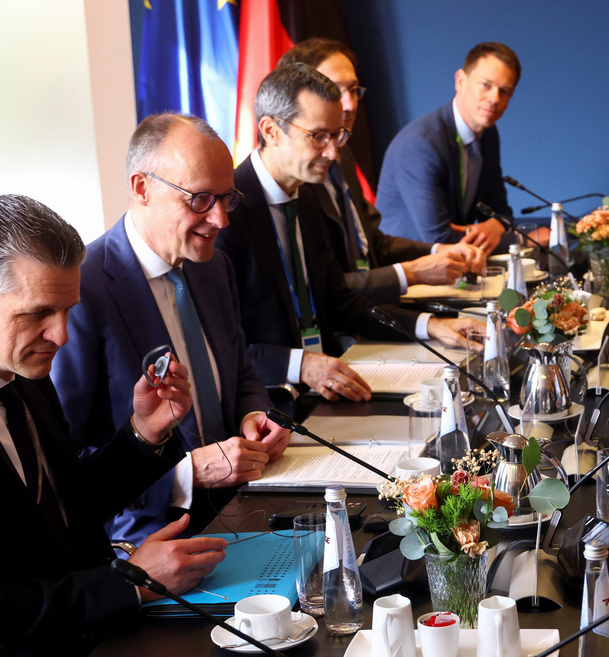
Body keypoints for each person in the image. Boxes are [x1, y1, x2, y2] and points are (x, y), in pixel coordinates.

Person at [0, 194, 228, 657]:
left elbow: (70, 509)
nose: (61, 335)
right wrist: (127, 583)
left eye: (67, 311)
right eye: (39, 313)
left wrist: (144, 433)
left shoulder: (27, 374)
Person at [50, 114, 290, 548]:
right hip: (150, 532)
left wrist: (255, 415)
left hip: (244, 499)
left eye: (226, 198)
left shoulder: (213, 265)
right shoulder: (82, 290)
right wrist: (187, 474)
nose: (221, 219)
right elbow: (63, 464)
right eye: (199, 199)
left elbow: (240, 373)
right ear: (141, 188)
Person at [217, 63, 483, 400]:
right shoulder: (226, 212)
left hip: (328, 381)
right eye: (318, 137)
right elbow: (222, 345)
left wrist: (431, 325)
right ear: (271, 130)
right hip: (264, 398)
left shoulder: (309, 195)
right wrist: (300, 365)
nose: (332, 151)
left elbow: (339, 301)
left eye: (338, 135)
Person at [276, 38, 486, 303]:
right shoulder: (295, 177)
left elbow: (373, 244)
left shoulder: (342, 154)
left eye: (353, 90)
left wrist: (440, 250)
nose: (350, 104)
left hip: (371, 309)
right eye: (333, 90)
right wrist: (409, 273)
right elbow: (322, 287)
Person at [376, 42, 520, 253]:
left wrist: (496, 225)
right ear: (460, 81)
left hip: (454, 271)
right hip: (411, 270)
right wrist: (521, 240)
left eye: (504, 91)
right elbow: (440, 238)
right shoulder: (420, 145)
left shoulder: (488, 134)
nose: (494, 99)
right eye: (486, 85)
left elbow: (501, 213)